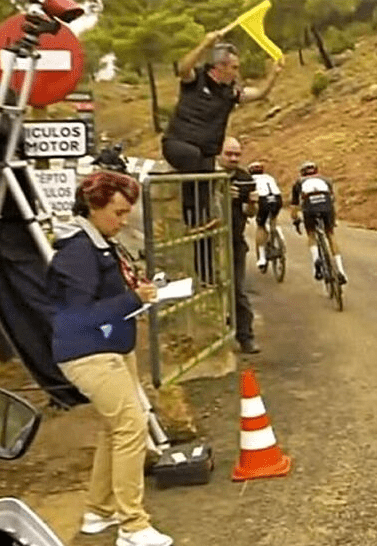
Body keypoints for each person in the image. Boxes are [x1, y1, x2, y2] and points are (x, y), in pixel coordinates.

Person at [46, 171, 173, 546]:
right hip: (88, 352)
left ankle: (98, 512)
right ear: (93, 207)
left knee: (113, 428)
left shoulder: (99, 242)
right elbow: (81, 314)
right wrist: (134, 300)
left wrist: (137, 291)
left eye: (126, 212)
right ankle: (132, 525)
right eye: (117, 212)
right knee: (131, 427)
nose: (123, 220)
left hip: (109, 347)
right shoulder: (78, 252)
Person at [161, 33, 283, 283]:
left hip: (206, 154)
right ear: (220, 66)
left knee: (205, 216)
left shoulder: (230, 92)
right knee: (195, 162)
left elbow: (258, 94)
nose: (237, 73)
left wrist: (275, 74)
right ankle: (190, 217)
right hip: (178, 145)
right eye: (234, 68)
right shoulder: (196, 79)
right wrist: (205, 43)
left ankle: (206, 272)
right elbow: (182, 68)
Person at [216, 137, 260, 354]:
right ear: (218, 154)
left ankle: (245, 337)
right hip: (208, 243)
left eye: (237, 154)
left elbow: (249, 213)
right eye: (229, 154)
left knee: (238, 290)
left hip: (235, 240)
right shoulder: (207, 175)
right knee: (209, 290)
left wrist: (252, 203)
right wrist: (222, 193)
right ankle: (214, 337)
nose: (233, 158)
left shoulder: (245, 178)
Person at [290, 161, 348, 284]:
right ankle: (341, 270)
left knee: (311, 234)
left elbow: (294, 206)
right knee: (330, 234)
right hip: (326, 206)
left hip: (309, 208)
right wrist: (334, 219)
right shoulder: (326, 180)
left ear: (302, 172)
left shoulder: (298, 183)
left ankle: (316, 258)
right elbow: (333, 200)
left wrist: (296, 220)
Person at [248, 161, 285, 272]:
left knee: (261, 226)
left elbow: (251, 197)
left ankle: (262, 258)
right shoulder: (269, 177)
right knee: (273, 218)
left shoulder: (250, 179)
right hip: (277, 198)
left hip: (263, 199)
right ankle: (279, 234)